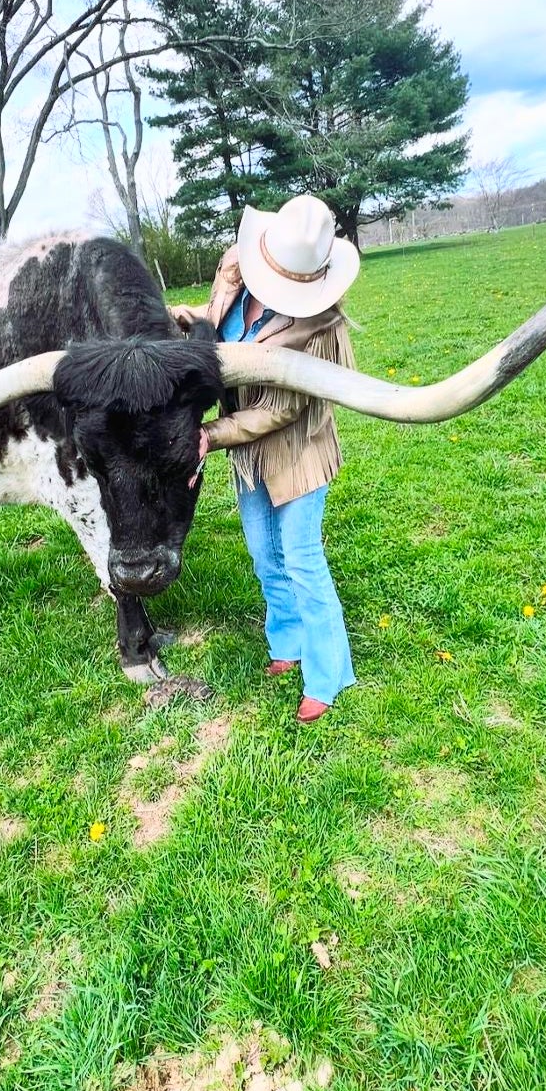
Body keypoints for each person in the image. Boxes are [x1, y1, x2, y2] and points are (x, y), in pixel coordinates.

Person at [173, 196, 359, 724]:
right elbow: (213, 324)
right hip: (248, 455)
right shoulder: (237, 275)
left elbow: (281, 409)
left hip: (298, 451)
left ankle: (328, 674)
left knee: (302, 558)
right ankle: (288, 640)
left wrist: (211, 433)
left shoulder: (320, 326)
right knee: (263, 552)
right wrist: (174, 318)